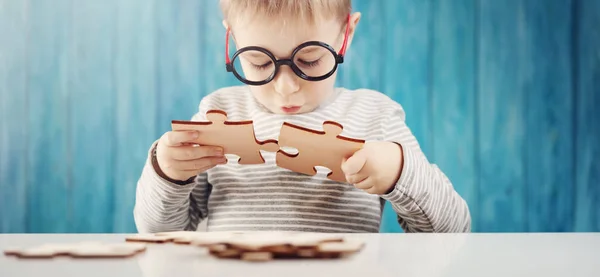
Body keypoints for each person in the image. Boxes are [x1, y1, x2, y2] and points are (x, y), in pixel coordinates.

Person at [133, 0, 471, 234]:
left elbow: (453, 229)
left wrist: (400, 172)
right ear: (233, 37)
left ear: (346, 34)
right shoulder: (218, 112)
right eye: (259, 62)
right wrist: (167, 173)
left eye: (309, 60)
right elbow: (161, 233)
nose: (285, 88)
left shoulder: (374, 117)